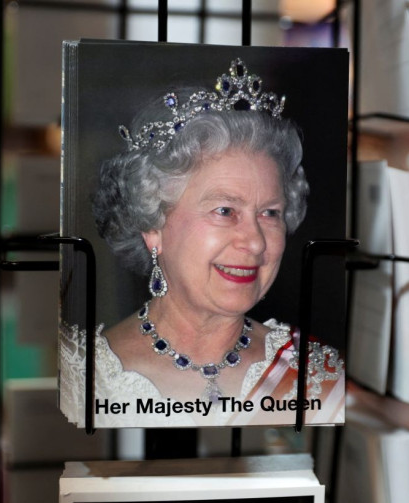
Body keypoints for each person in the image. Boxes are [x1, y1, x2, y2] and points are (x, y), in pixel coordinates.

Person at [59, 58, 344, 427]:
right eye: (225, 210)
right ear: (153, 225)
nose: (255, 242)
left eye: (270, 213)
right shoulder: (81, 378)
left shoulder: (317, 374)